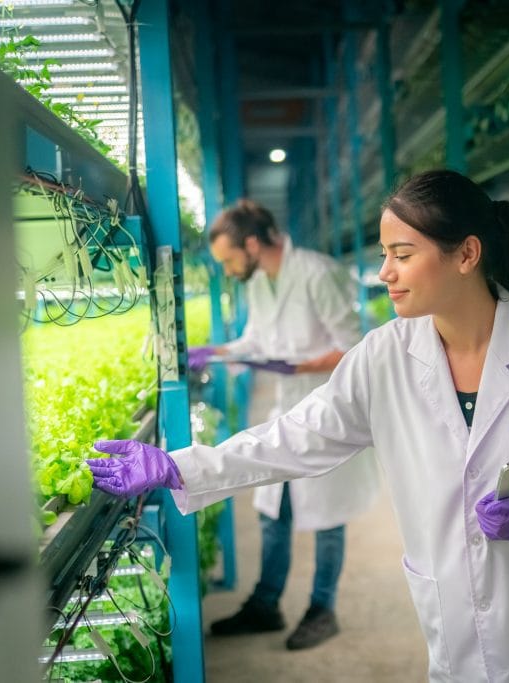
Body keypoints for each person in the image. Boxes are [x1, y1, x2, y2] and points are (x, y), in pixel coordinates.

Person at [89, 170, 509, 681]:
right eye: (385, 253)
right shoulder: (385, 357)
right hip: (458, 617)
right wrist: (180, 465)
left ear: (466, 255)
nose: (384, 272)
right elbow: (294, 437)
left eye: (402, 254)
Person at [180, 199, 379, 650]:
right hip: (288, 408)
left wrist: (302, 367)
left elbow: (355, 346)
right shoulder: (258, 282)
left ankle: (322, 608)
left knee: (329, 518)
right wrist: (216, 352)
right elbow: (256, 339)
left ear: (252, 244)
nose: (229, 270)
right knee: (274, 511)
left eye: (230, 259)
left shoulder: (317, 272)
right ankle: (265, 604)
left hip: (331, 410)